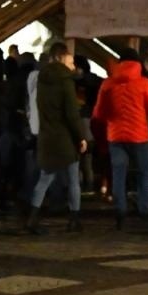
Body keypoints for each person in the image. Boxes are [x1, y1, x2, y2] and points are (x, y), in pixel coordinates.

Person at [92, 49, 148, 228]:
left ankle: (120, 211)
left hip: (115, 136)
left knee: (118, 174)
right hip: (139, 136)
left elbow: (99, 113)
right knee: (143, 173)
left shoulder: (108, 84)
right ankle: (144, 211)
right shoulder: (144, 83)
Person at [24, 41, 86, 234]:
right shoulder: (65, 81)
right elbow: (71, 113)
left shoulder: (41, 79)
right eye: (71, 62)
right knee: (73, 179)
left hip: (47, 135)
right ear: (61, 58)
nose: (73, 66)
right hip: (65, 138)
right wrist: (80, 137)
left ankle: (32, 218)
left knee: (45, 178)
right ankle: (74, 219)